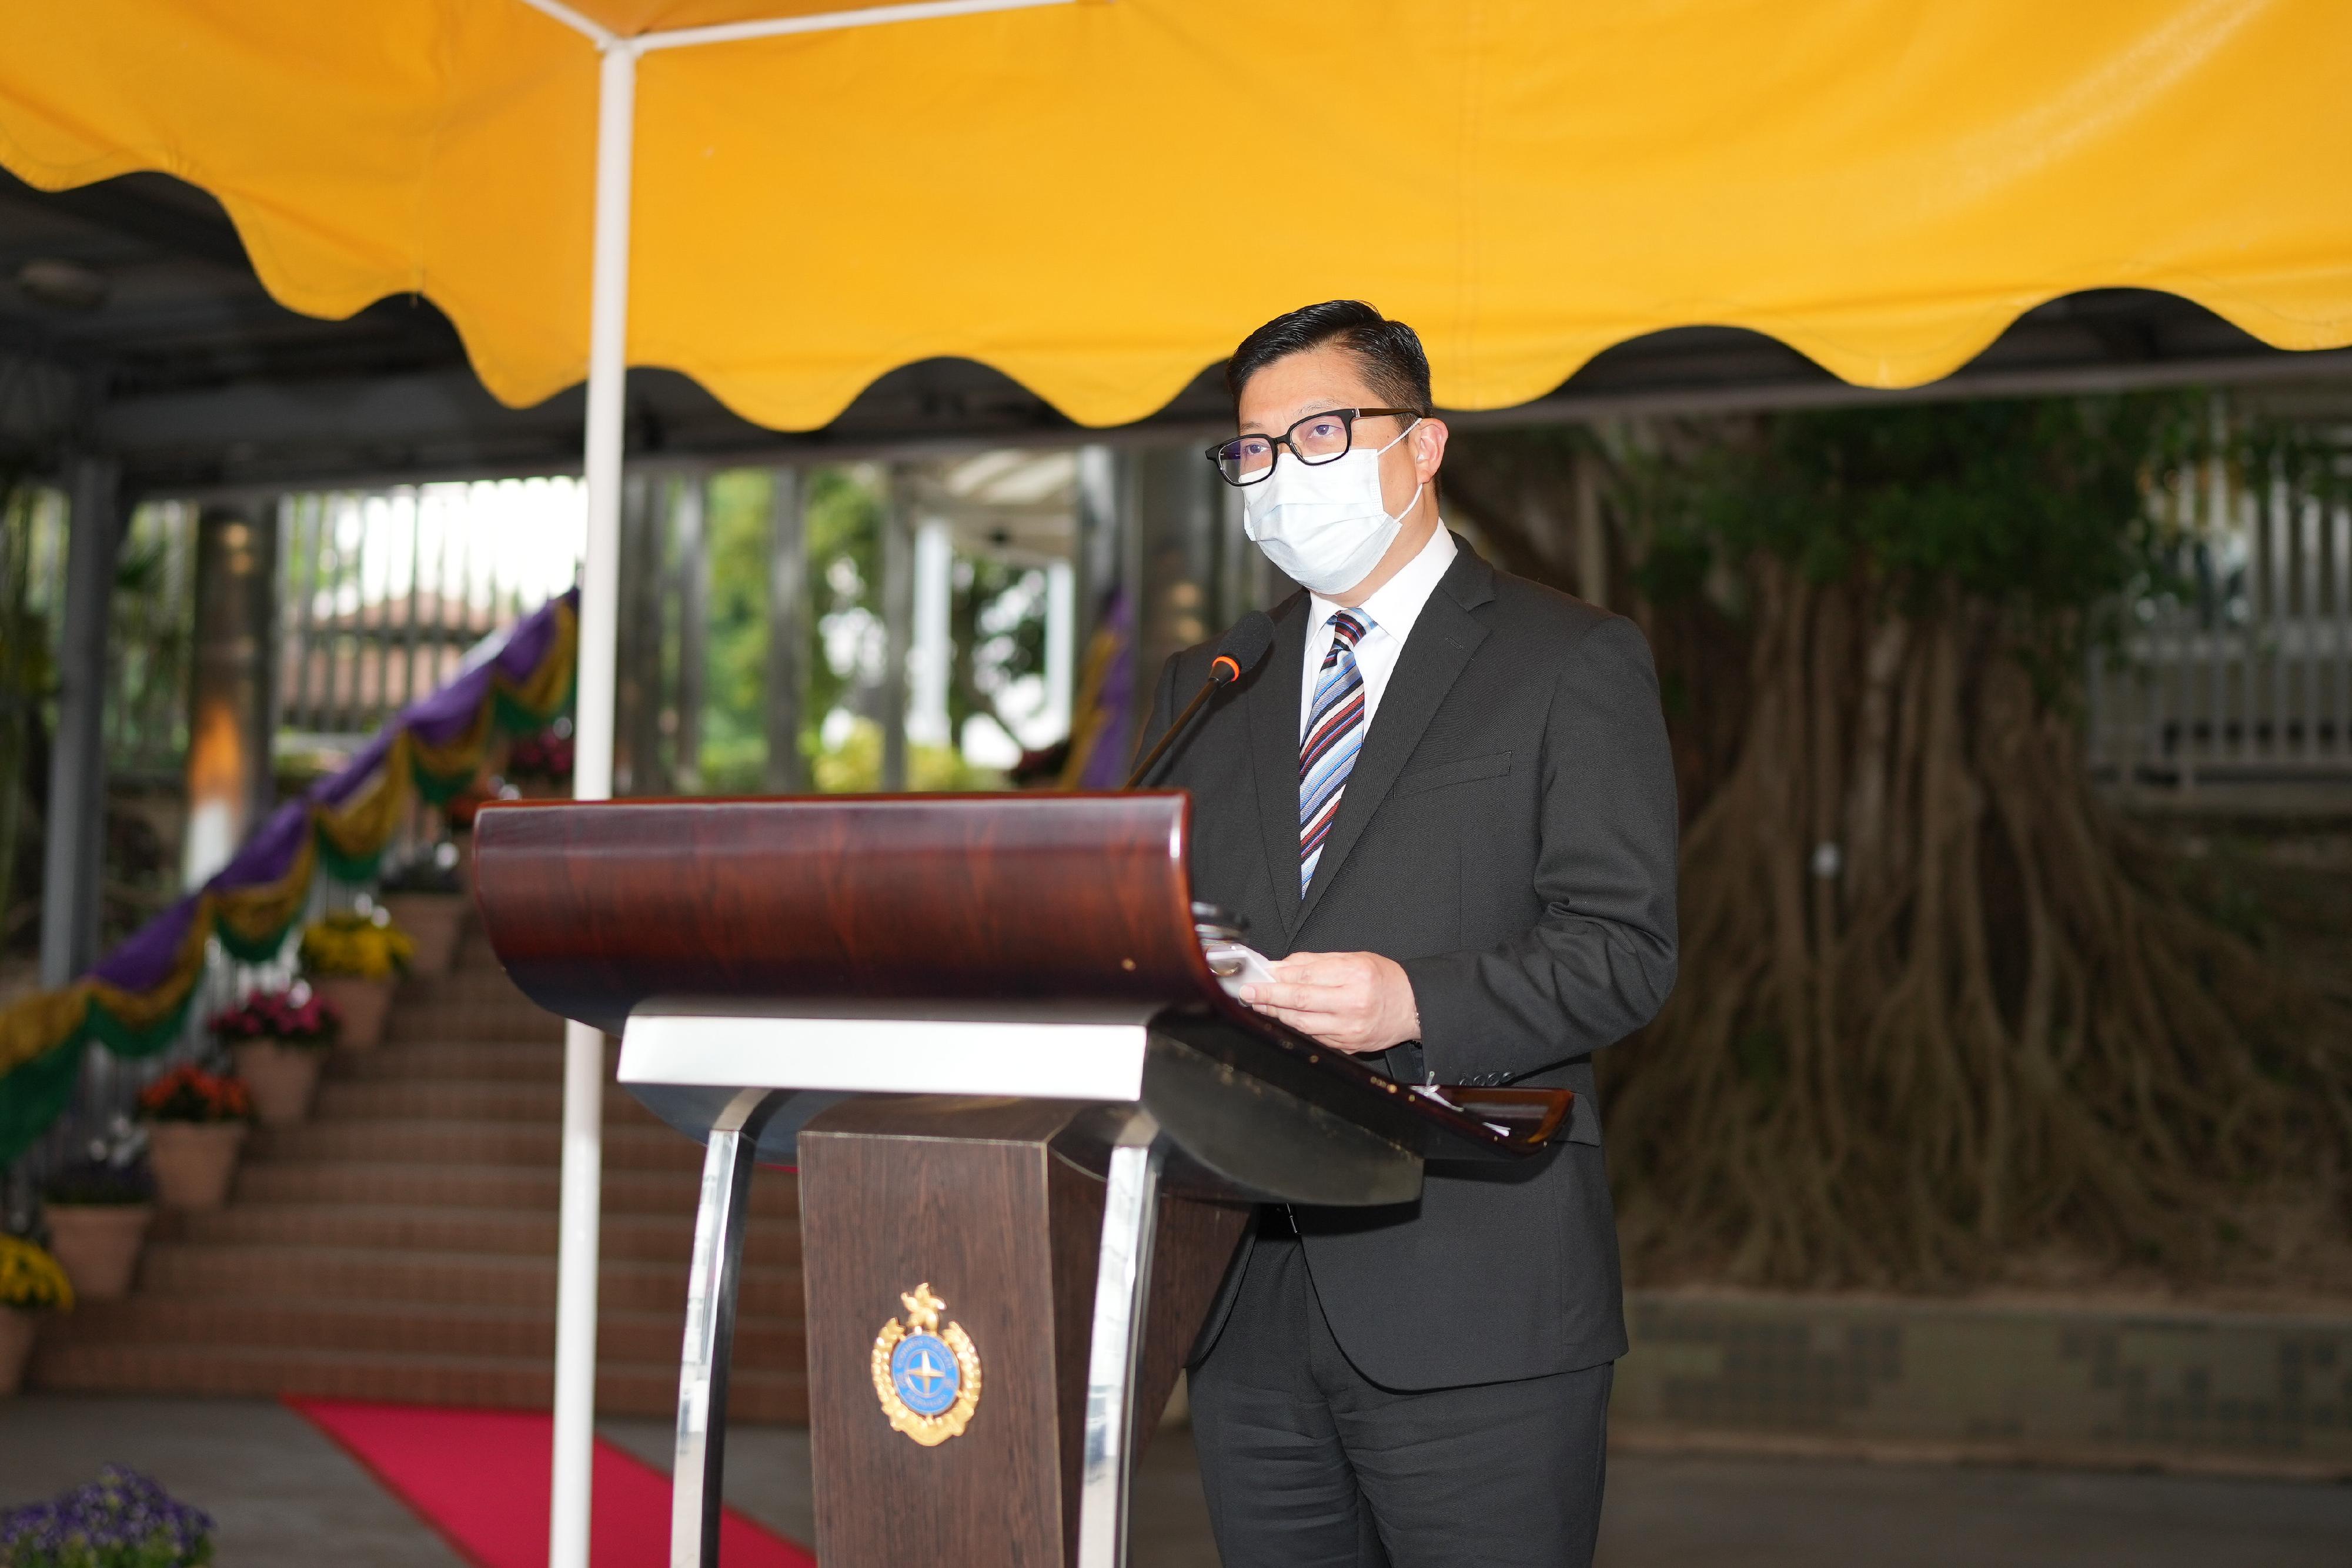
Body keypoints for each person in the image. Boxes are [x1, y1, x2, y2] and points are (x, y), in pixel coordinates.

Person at [1135, 300, 1679, 1568]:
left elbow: (1623, 946)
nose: (1277, 475)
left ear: (1421, 445)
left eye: (1317, 431)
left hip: (1474, 1291)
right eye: (1251, 450)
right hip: (1244, 1287)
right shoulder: (1214, 681)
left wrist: (1411, 1001)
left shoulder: (1568, 658)